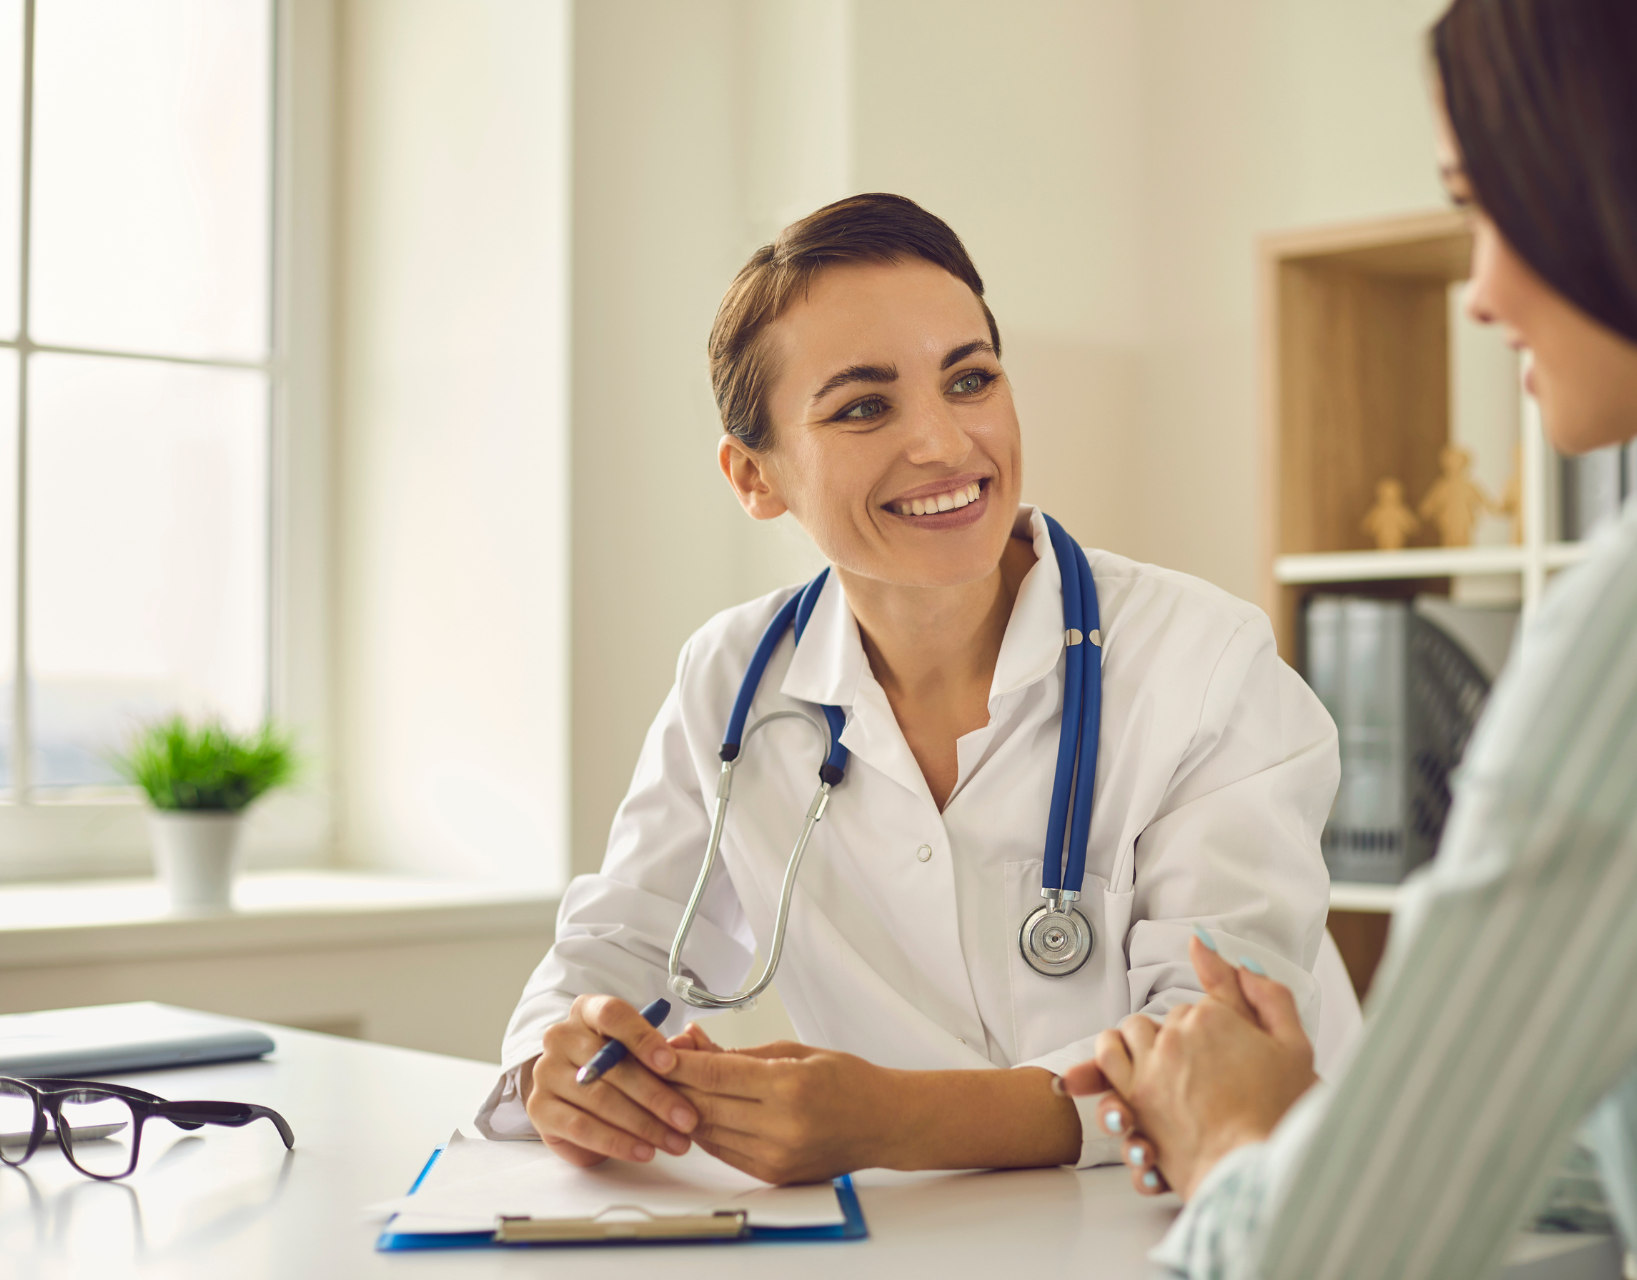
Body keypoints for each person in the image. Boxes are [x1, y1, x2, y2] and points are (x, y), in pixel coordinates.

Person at [1069, 0, 1637, 1276]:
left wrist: (1241, 1138)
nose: (1477, 293)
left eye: (1485, 205)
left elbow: (1328, 1258)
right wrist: (1353, 1126)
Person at [475, 193, 1361, 1182]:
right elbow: (616, 944)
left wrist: (895, 1119)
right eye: (864, 405)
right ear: (754, 476)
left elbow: (1217, 1057)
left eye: (970, 379)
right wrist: (557, 1062)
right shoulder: (732, 678)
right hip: (932, 1236)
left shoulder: (1202, 661)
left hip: (1251, 1221)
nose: (943, 443)